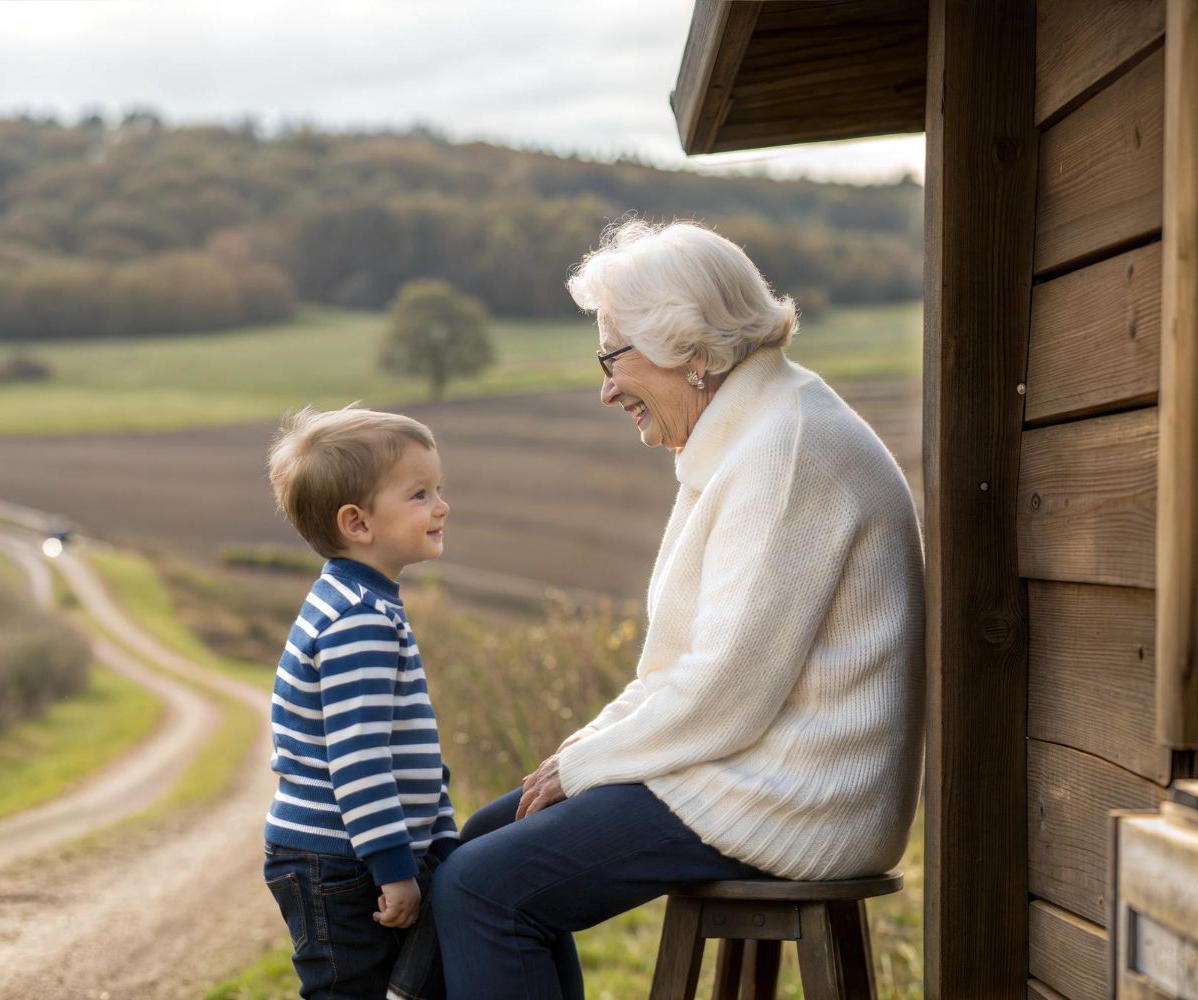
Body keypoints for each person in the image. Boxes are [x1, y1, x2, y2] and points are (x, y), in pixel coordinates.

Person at [432, 219, 926, 999]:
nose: (604, 388)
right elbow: (675, 669)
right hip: (745, 765)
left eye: (613, 356)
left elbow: (728, 688)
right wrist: (584, 748)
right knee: (476, 848)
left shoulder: (783, 450)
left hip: (800, 795)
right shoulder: (743, 436)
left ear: (693, 350)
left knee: (482, 887)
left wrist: (588, 766)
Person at [263, 404, 458, 1000]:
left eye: (438, 490)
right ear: (358, 523)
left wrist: (441, 841)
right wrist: (395, 868)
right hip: (341, 866)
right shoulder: (358, 622)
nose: (442, 506)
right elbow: (360, 761)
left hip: (355, 857)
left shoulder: (365, 603)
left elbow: (413, 755)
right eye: (420, 494)